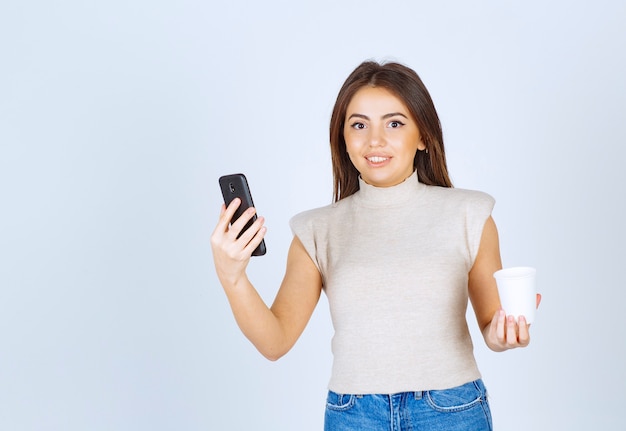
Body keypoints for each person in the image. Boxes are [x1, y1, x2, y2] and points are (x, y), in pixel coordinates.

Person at [211, 60, 541, 430]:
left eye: (394, 123)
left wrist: (503, 333)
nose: (375, 141)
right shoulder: (316, 230)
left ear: (422, 136)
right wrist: (232, 276)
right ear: (344, 139)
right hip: (354, 416)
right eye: (359, 125)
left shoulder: (471, 214)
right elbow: (275, 342)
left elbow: (491, 326)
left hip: (450, 410)